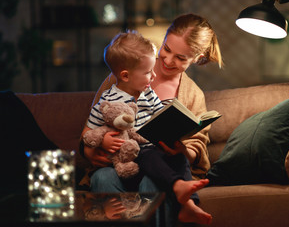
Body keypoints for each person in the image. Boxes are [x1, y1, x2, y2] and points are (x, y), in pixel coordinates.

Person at [80, 13, 223, 226]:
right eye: (166, 49)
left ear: (197, 57)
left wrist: (181, 149)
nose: (167, 60)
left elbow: (197, 147)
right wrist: (92, 150)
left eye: (181, 58)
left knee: (153, 181)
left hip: (157, 163)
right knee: (102, 178)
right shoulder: (124, 72)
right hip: (117, 165)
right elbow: (88, 131)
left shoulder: (193, 94)